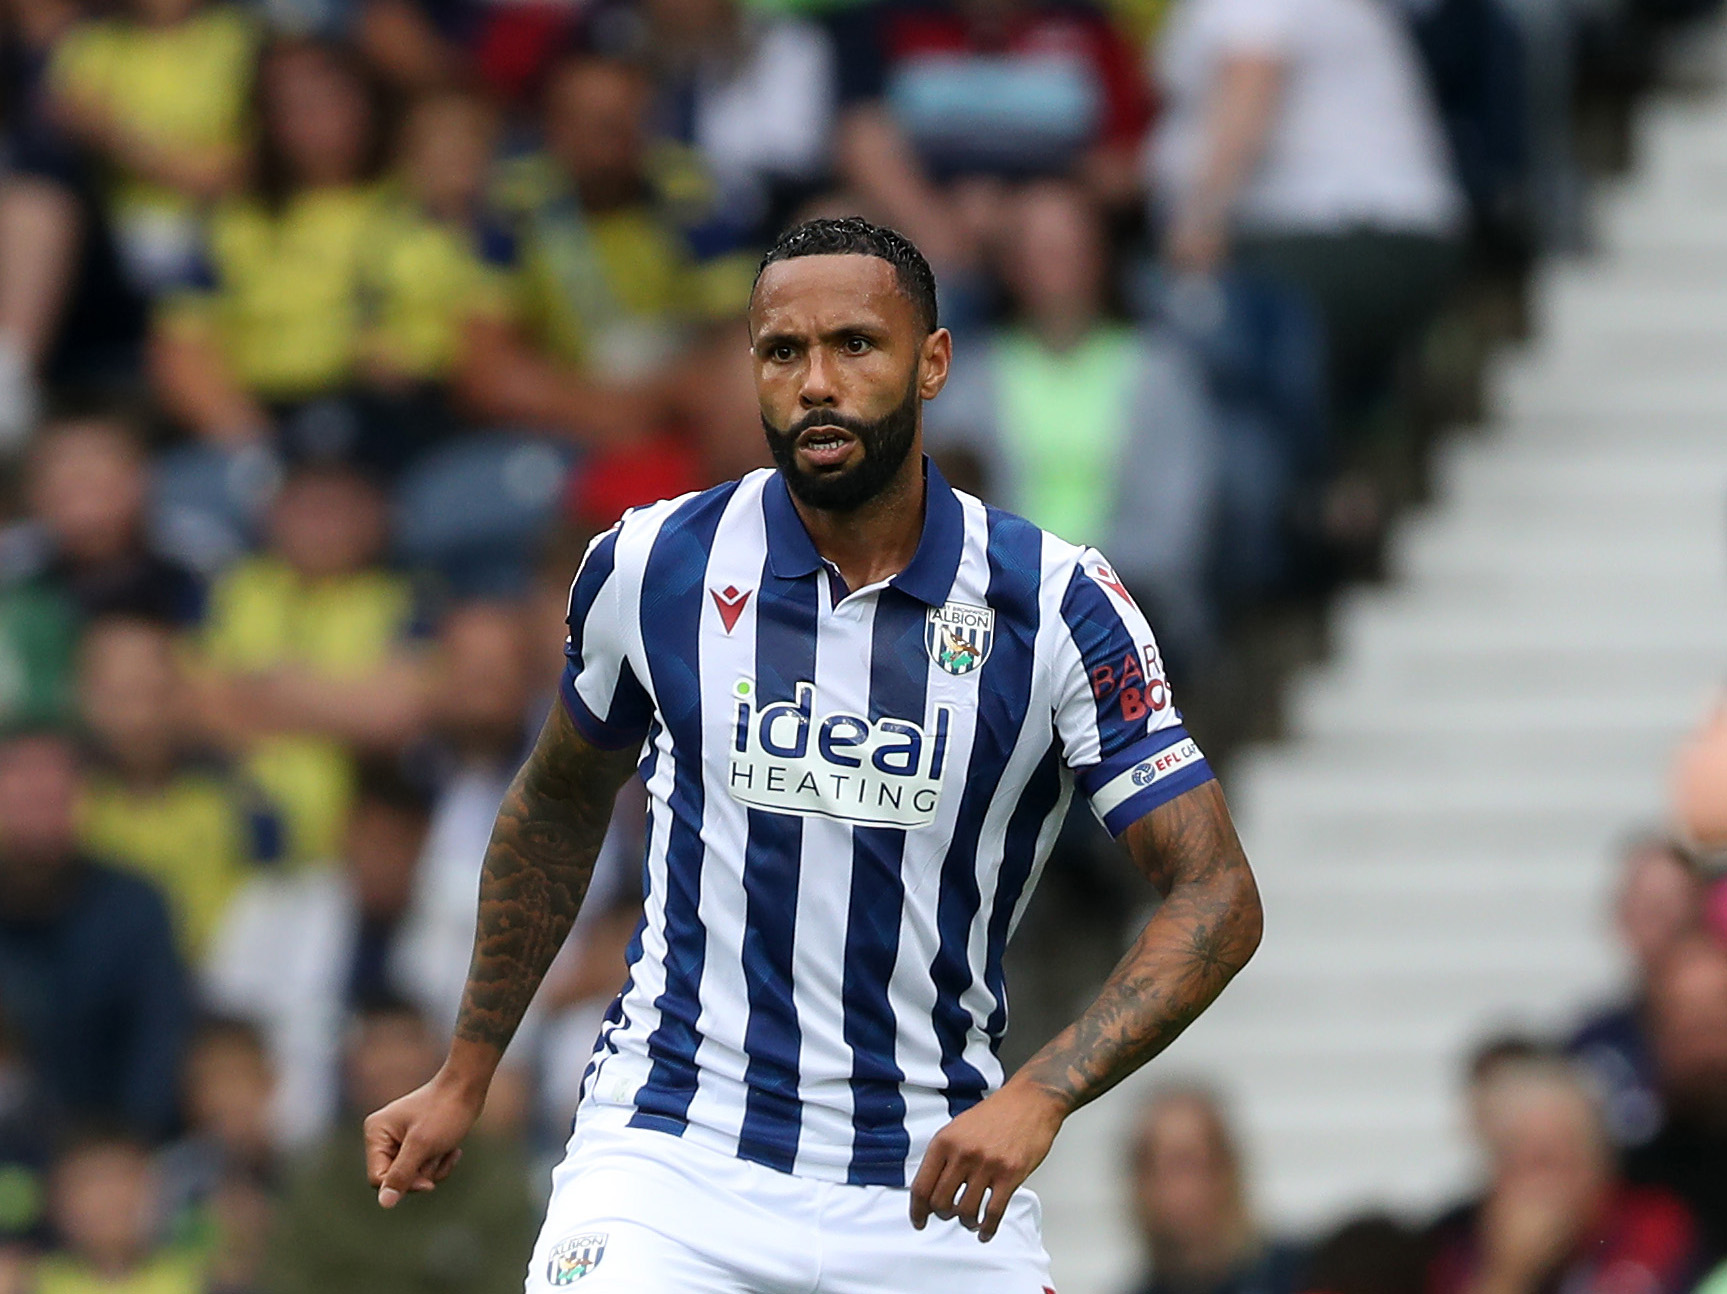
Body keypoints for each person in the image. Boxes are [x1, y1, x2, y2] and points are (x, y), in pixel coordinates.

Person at [365, 216, 1262, 1291]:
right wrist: (466, 1072)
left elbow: (1215, 891)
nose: (816, 382)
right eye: (783, 352)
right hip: (670, 1156)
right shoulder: (651, 563)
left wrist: (1042, 1090)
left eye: (855, 345)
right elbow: (556, 804)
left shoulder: (1058, 603)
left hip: (928, 1181)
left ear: (932, 362)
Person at [925, 180, 1221, 668]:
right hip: (1001, 622)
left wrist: (1065, 590)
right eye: (1038, 250)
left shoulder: (1161, 375)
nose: (1055, 266)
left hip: (1134, 616)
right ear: (1010, 265)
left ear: (1100, 257)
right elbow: (950, 524)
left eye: (1068, 249)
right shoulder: (965, 380)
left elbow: (1174, 535)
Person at [264, 996, 537, 1294]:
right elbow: (287, 1277)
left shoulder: (493, 1175)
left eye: (406, 1044)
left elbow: (510, 1278)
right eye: (376, 1047)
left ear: (441, 1061)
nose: (392, 1063)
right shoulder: (316, 1172)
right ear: (349, 1067)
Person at [0, 728, 189, 1138]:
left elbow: (157, 1053)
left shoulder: (135, 909)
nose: (38, 810)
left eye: (53, 794)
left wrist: (120, 1153)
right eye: (23, 794)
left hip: (111, 1160)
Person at [77, 615, 283, 961]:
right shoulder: (67, 800)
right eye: (118, 696)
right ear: (84, 698)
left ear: (184, 695)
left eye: (154, 694)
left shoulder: (235, 797)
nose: (139, 717)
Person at [1426, 1056, 1698, 1294]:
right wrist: (1508, 1275)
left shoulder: (1653, 1228)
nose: (1543, 1186)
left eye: (1553, 1161)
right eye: (1523, 1164)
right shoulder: (1460, 1247)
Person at [1568, 836, 1704, 1151]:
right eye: (1649, 909)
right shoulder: (1594, 1045)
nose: (1665, 927)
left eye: (1677, 908)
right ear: (1621, 917)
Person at [1126, 1087, 1304, 1294]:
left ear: (1226, 1171)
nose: (1177, 1187)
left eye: (1187, 1163)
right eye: (1157, 1169)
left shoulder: (1299, 1278)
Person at [37, 1133, 205, 1294]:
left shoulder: (201, 1278)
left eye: (124, 1178)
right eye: (93, 1183)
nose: (112, 1201)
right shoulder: (29, 1283)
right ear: (58, 1201)